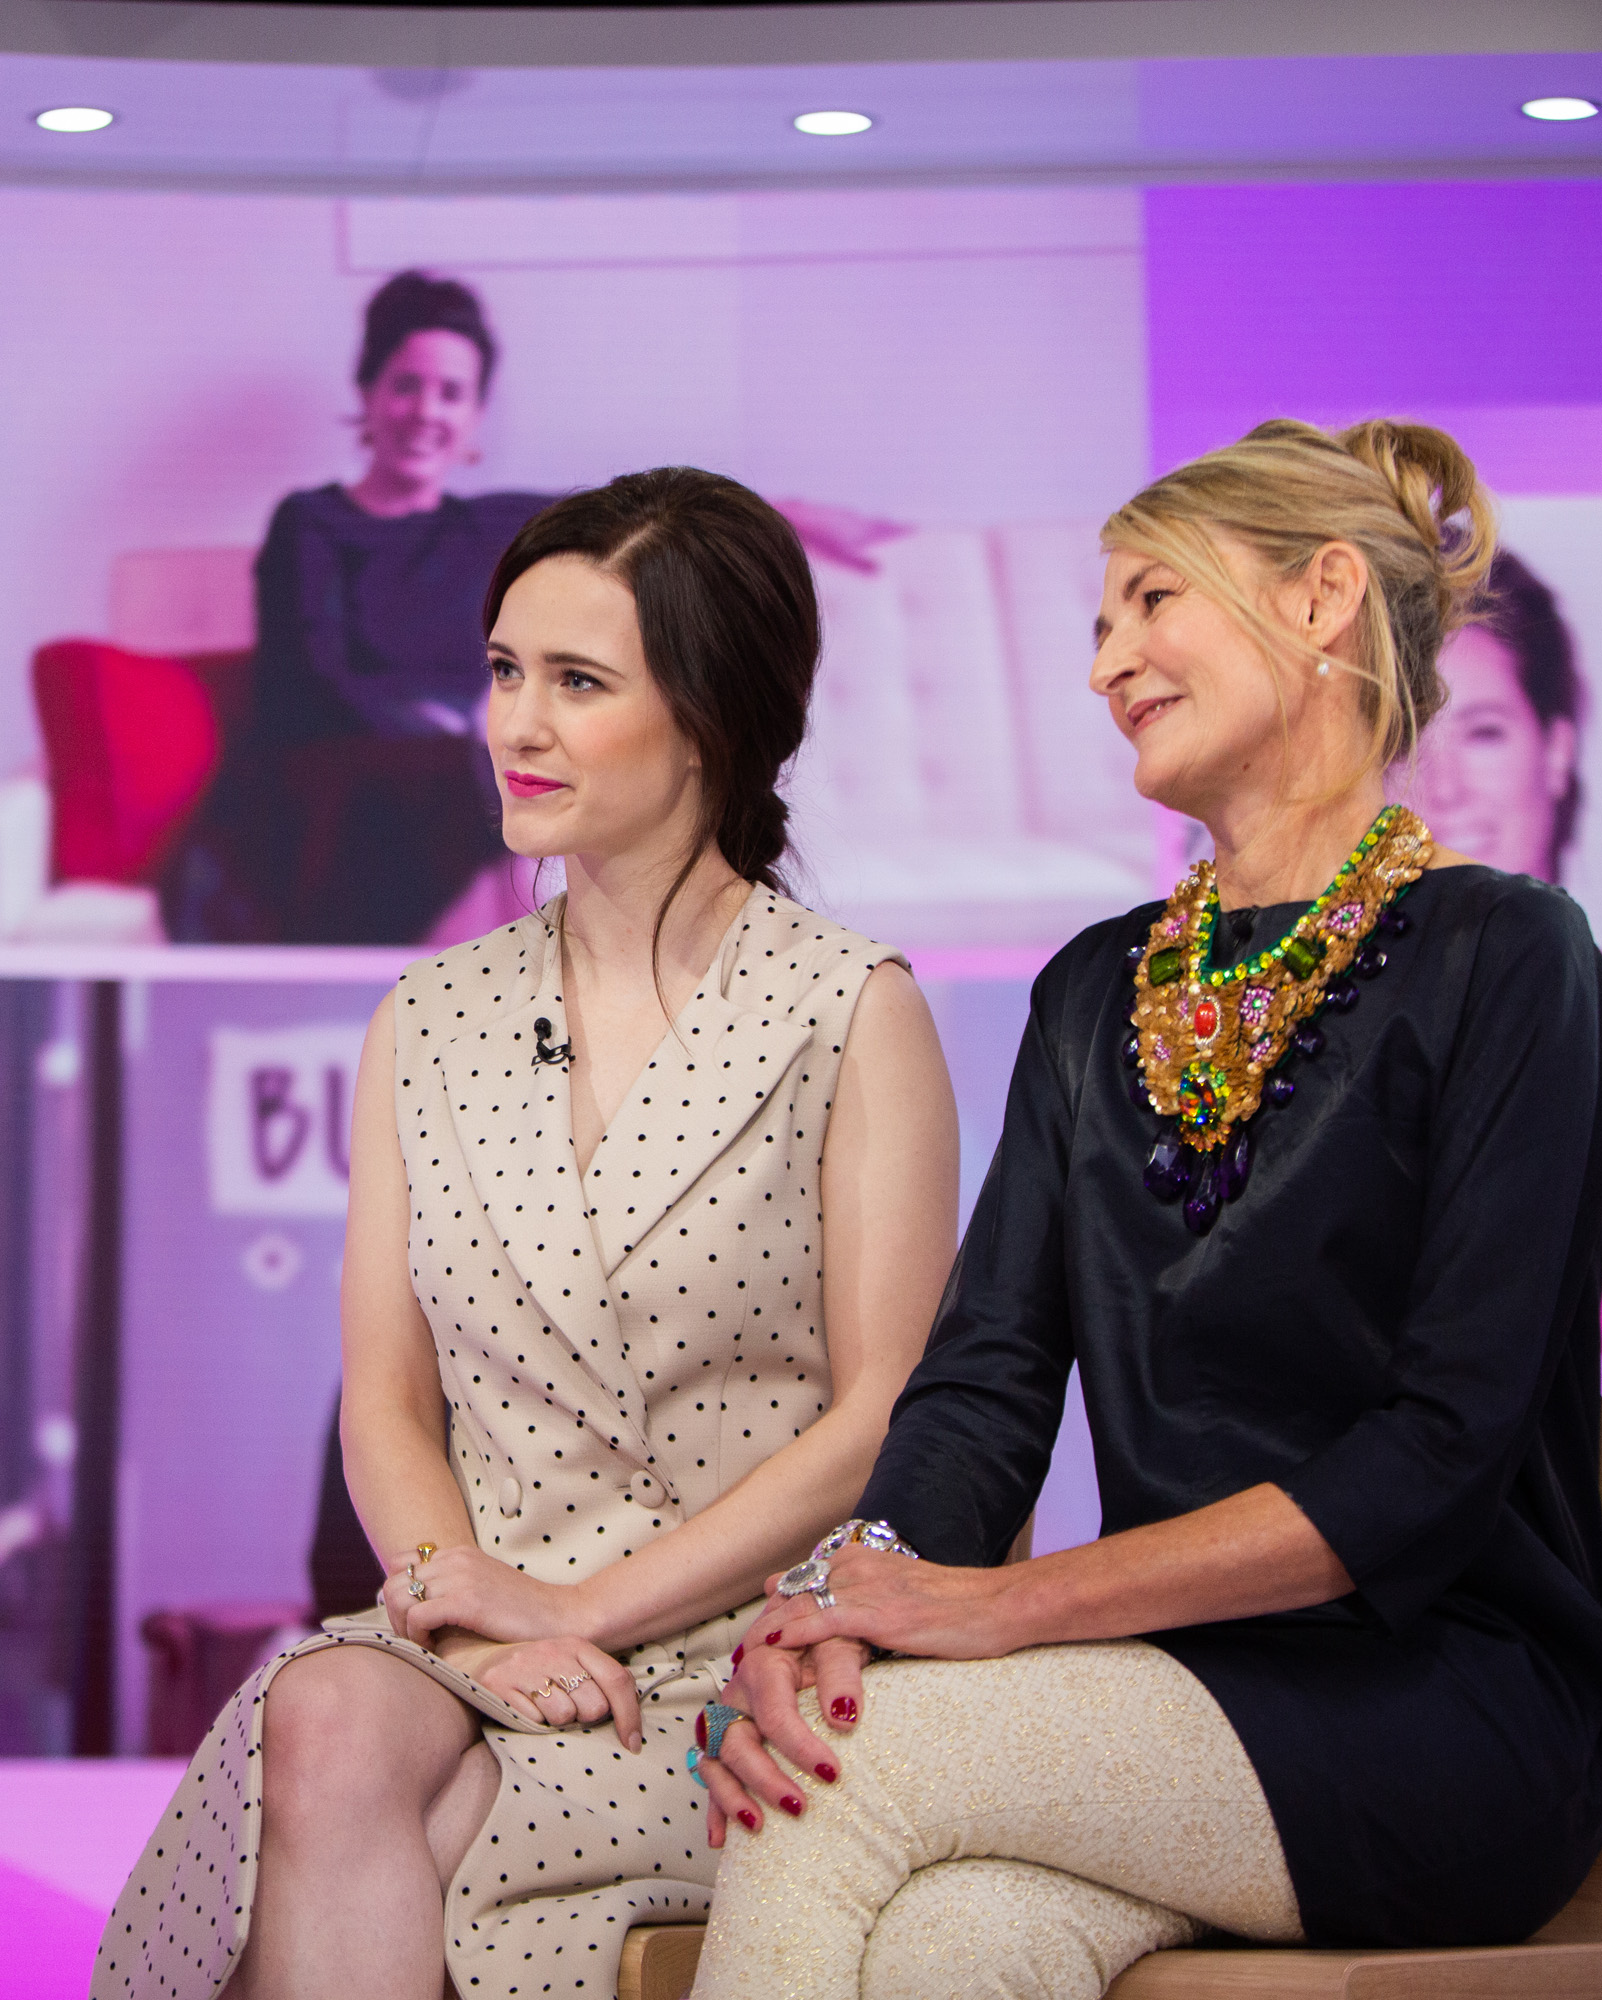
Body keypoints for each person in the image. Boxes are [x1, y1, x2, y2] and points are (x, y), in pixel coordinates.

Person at [686, 421, 1602, 1997]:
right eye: (1098, 624)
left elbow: (1433, 1455)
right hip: (1158, 1692)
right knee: (948, 1940)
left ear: (1322, 597)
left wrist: (1006, 1607)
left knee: (835, 1772)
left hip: (1447, 1711)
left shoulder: (1510, 956)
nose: (1104, 665)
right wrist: (853, 1603)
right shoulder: (1092, 991)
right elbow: (986, 1386)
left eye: (1150, 601)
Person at [99, 468, 962, 1999]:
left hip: (747, 1662)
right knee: (324, 1715)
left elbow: (884, 1414)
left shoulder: (851, 1009)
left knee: (416, 1833)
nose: (515, 724)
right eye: (505, 672)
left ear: (710, 715)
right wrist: (475, 1617)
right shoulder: (428, 1016)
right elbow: (387, 1399)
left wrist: (580, 1615)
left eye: (577, 682)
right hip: (479, 1634)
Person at [167, 270, 551, 945]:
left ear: (474, 416)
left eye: (452, 393)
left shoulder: (491, 529)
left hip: (459, 798)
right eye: (406, 385)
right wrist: (453, 730)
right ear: (368, 391)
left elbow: (645, 517)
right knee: (501, 793)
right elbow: (314, 682)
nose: (427, 411)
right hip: (325, 801)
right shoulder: (309, 522)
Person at [1409, 550, 1602, 1352]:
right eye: (1408, 739)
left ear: (1556, 751)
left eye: (1483, 733)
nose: (1444, 789)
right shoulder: (1328, 1041)